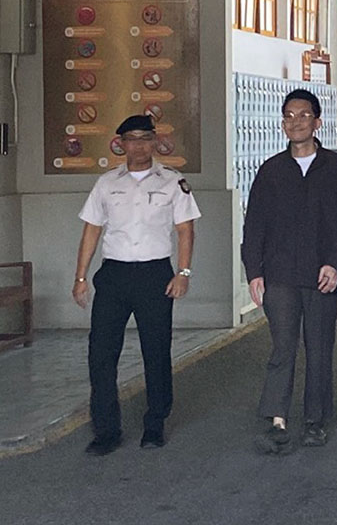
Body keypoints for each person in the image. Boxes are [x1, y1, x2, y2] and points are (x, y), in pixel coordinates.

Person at [72, 114, 201, 455]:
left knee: (155, 352)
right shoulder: (106, 183)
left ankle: (155, 424)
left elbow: (185, 230)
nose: (139, 145)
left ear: (155, 141)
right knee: (101, 353)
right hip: (113, 275)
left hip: (155, 275)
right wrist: (81, 277)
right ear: (121, 144)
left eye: (145, 138)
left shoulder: (172, 182)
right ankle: (106, 431)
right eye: (132, 139)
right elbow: (92, 230)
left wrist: (183, 273)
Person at [241, 88, 337, 455]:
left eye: (304, 115)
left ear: (317, 122)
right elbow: (255, 225)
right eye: (289, 116)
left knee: (319, 349)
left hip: (322, 275)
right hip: (280, 275)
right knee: (282, 347)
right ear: (283, 123)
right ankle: (277, 419)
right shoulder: (272, 170)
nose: (296, 122)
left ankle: (315, 420)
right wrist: (254, 271)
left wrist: (336, 263)